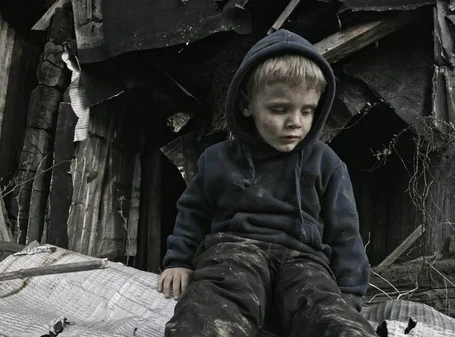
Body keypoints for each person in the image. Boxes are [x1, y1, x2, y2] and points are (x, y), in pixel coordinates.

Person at [157, 29, 377, 337]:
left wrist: (349, 296)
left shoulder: (325, 162)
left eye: (307, 110)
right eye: (279, 109)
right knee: (210, 304)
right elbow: (192, 213)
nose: (295, 122)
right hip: (234, 252)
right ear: (247, 105)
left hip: (305, 261)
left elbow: (345, 233)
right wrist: (178, 261)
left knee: (323, 309)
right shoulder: (218, 159)